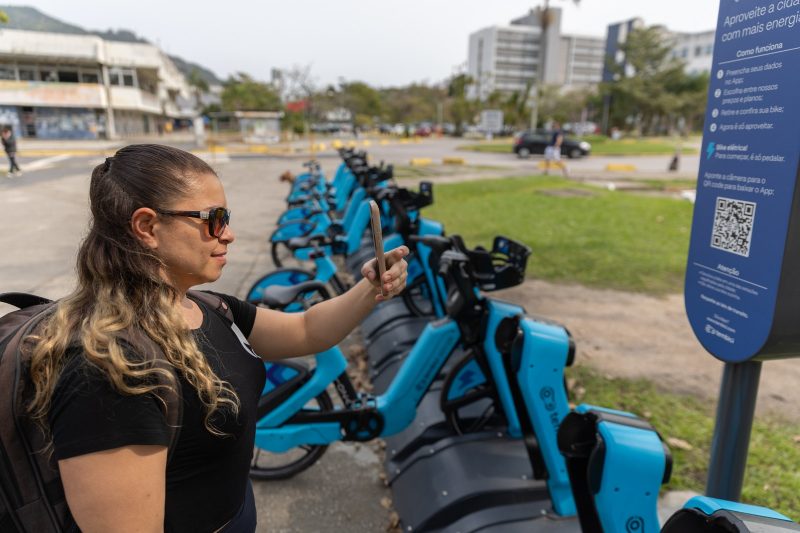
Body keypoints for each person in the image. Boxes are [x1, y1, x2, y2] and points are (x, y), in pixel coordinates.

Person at [23, 144, 409, 533]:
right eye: (214, 220)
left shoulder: (208, 307)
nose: (229, 235)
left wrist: (371, 288)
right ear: (147, 227)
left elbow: (306, 330)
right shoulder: (110, 370)